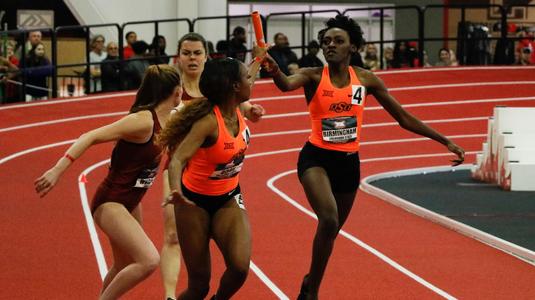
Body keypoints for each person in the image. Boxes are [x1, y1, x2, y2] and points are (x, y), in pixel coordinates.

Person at [261, 15, 465, 300]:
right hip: (316, 159)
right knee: (329, 220)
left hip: (348, 164)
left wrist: (445, 140)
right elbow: (285, 83)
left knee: (331, 233)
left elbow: (403, 117)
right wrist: (273, 69)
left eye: (338, 41)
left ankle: (310, 281)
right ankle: (313, 294)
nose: (330, 45)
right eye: (326, 41)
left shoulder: (367, 80)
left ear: (353, 47)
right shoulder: (313, 76)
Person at [34, 64, 182, 300]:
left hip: (132, 201)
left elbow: (206, 105)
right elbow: (90, 136)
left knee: (124, 265)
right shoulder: (143, 121)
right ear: (176, 91)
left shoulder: (171, 117)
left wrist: (256, 67)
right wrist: (57, 170)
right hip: (111, 201)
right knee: (149, 260)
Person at [160, 32, 265, 300]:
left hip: (228, 197)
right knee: (199, 286)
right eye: (245, 79)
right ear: (233, 87)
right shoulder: (207, 121)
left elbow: (249, 76)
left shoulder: (239, 107)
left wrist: (259, 58)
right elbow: (177, 160)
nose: (250, 82)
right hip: (193, 202)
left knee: (240, 267)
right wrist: (175, 192)